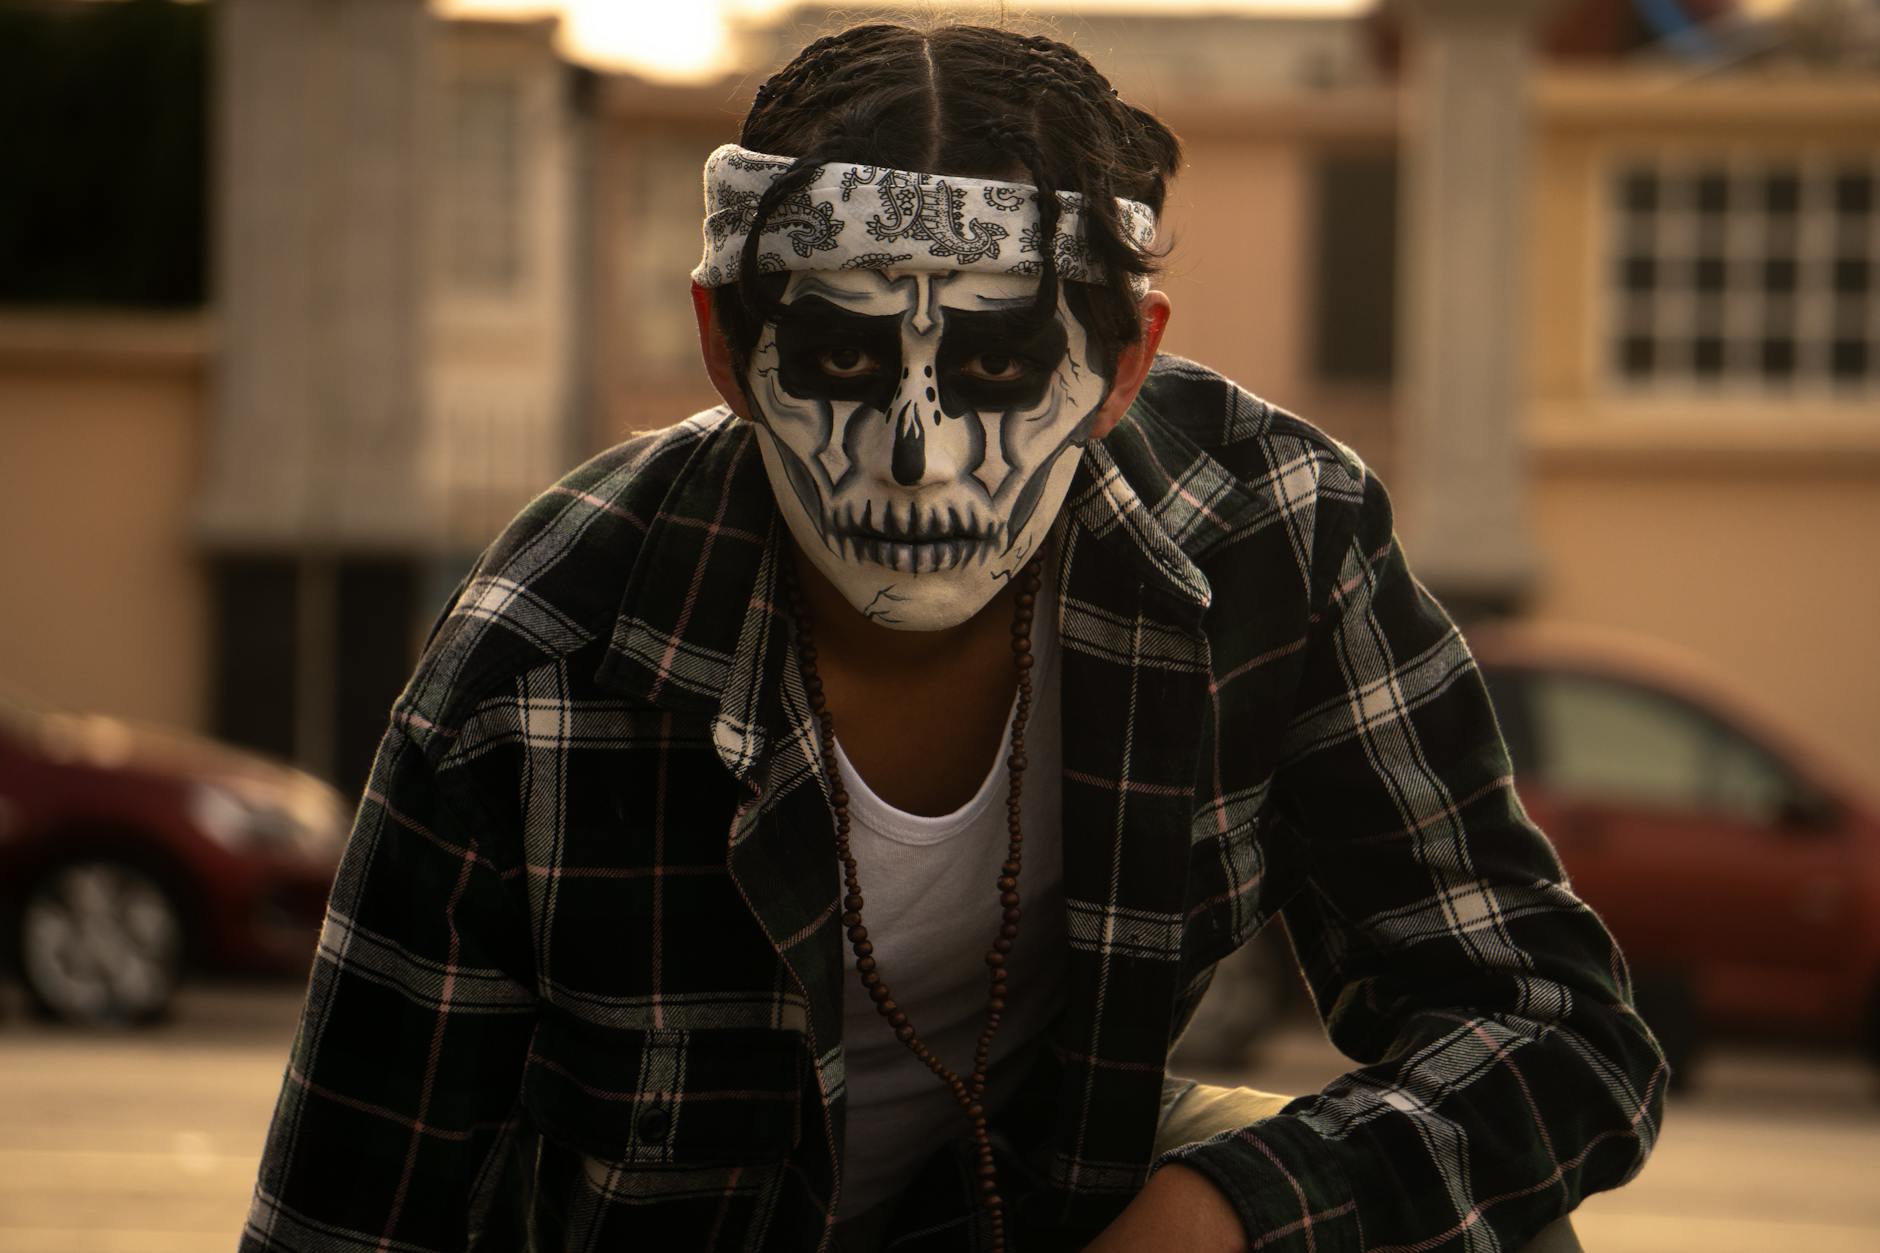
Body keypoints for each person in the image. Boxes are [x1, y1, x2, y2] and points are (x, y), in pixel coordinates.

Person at [241, 21, 1665, 1253]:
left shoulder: (1271, 539)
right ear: (727, 352)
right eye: (845, 360)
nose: (921, 454)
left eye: (994, 364)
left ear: (1126, 365)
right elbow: (348, 1212)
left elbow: (1555, 1027)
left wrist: (1225, 1213)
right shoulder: (539, 662)